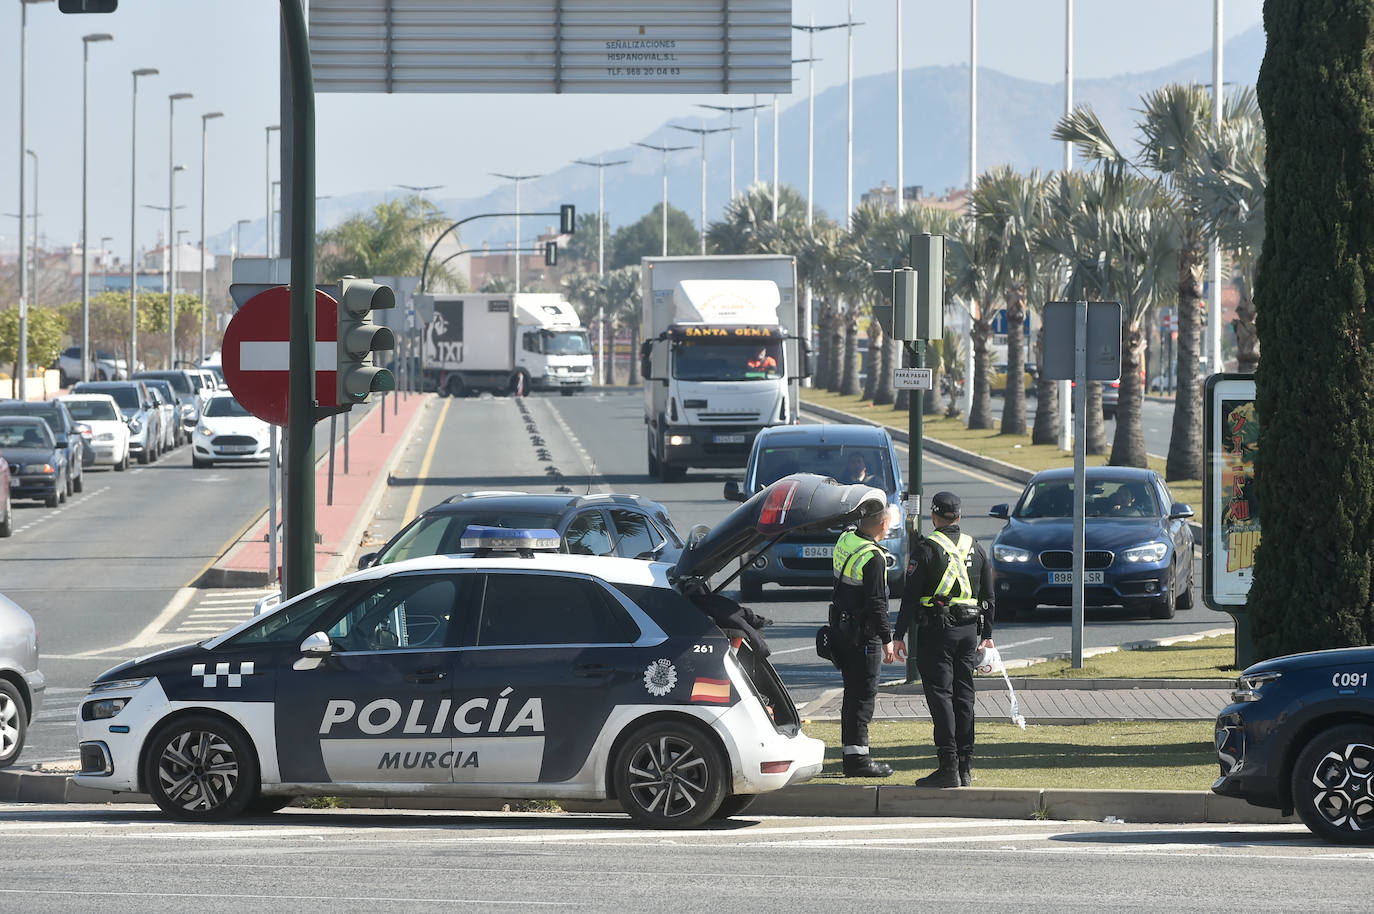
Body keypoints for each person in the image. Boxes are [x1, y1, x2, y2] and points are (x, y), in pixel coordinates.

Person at [894, 491, 995, 788]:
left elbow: (910, 597)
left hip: (937, 631)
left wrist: (898, 635)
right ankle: (966, 766)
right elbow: (989, 595)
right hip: (968, 631)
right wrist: (987, 634)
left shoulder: (927, 548)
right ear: (960, 517)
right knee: (965, 696)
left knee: (941, 698)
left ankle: (947, 766)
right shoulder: (975, 547)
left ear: (934, 517)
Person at [830, 495, 900, 777]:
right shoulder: (874, 558)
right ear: (883, 524)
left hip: (841, 631)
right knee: (862, 698)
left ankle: (850, 755)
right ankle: (858, 762)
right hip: (862, 636)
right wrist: (887, 639)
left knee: (851, 695)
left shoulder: (846, 541)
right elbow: (877, 603)